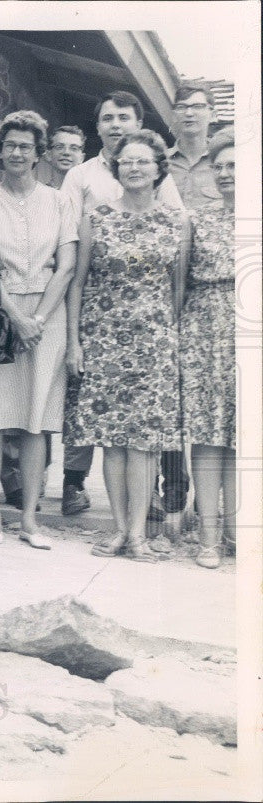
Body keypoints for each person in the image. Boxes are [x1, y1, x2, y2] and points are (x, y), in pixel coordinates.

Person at [0, 110, 78, 549]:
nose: (17, 153)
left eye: (26, 146)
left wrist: (38, 319)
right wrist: (16, 319)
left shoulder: (60, 200)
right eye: (10, 146)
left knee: (34, 422)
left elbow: (65, 268)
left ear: (39, 153)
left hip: (48, 315)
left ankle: (28, 520)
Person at [64, 130, 189, 563]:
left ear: (158, 169)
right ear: (116, 168)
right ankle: (118, 529)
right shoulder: (96, 216)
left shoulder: (176, 220)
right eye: (126, 161)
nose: (133, 167)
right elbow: (78, 282)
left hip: (154, 343)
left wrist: (171, 341)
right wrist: (74, 342)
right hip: (104, 340)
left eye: (142, 161)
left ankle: (137, 534)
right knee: (112, 442)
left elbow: (179, 288)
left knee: (145, 443)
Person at [179, 127, 236, 568]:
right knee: (207, 437)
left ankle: (238, 532)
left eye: (234, 165)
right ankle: (208, 539)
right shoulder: (199, 219)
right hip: (203, 333)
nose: (225, 173)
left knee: (242, 437)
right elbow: (180, 284)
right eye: (218, 167)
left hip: (248, 336)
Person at [167, 82, 222, 209]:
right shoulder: (159, 162)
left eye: (197, 106)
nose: (189, 113)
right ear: (174, 115)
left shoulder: (225, 164)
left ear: (213, 115)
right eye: (181, 107)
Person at [38, 125, 86, 189]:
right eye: (59, 147)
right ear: (48, 155)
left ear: (81, 158)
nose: (66, 152)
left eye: (74, 148)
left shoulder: (89, 195)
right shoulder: (39, 195)